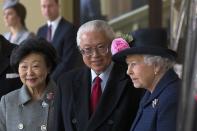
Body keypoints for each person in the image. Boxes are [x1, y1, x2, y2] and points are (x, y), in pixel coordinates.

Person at [54, 20, 142, 131]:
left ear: (112, 45)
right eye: (87, 49)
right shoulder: (65, 83)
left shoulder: (131, 80)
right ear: (81, 51)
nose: (95, 55)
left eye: (101, 47)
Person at [111, 28, 181, 131]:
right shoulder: (151, 92)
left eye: (133, 64)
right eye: (128, 65)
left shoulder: (172, 97)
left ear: (156, 65)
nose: (128, 71)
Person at [0, 38, 58, 131]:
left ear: (48, 68)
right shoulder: (7, 101)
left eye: (35, 66)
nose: (29, 73)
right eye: (24, 67)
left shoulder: (63, 98)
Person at [37, 0, 82, 81]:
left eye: (50, 6)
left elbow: (68, 62)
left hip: (63, 80)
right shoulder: (40, 31)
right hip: (43, 81)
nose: (47, 10)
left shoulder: (70, 29)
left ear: (58, 6)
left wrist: (49, 79)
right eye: (44, 6)